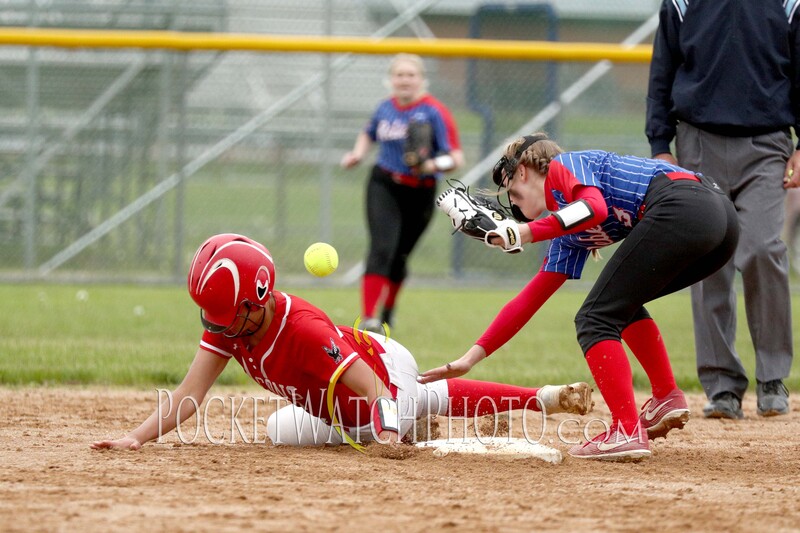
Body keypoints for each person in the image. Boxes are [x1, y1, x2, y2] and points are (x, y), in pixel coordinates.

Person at [91, 233, 593, 451]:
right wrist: (135, 437)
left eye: (227, 315)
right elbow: (188, 395)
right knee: (280, 432)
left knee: (394, 413)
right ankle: (422, 416)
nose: (217, 325)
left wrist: (390, 429)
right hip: (336, 399)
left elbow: (370, 384)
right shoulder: (232, 322)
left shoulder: (302, 330)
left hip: (382, 369)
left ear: (258, 300)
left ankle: (541, 399)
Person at [422, 133, 740, 462]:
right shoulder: (568, 233)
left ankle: (626, 430)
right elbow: (528, 300)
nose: (514, 205)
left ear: (523, 171)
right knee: (617, 304)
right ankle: (666, 397)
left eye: (513, 193)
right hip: (719, 222)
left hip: (686, 205)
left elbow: (594, 207)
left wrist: (526, 232)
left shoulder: (565, 165)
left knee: (594, 318)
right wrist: (471, 358)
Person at [645, 0, 798, 419]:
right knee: (708, 260)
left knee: (765, 248)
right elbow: (663, 70)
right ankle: (722, 385)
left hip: (766, 145)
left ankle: (772, 377)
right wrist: (660, 145)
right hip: (697, 143)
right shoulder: (681, 1)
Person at [341, 53, 464, 334]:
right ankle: (369, 318)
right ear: (390, 80)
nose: (405, 80)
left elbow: (455, 157)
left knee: (400, 256)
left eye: (411, 75)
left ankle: (387, 312)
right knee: (382, 248)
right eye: (399, 75)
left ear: (422, 80)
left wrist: (430, 164)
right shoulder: (385, 108)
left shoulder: (434, 111)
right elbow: (368, 133)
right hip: (384, 183)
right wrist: (358, 154)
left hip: (420, 190)